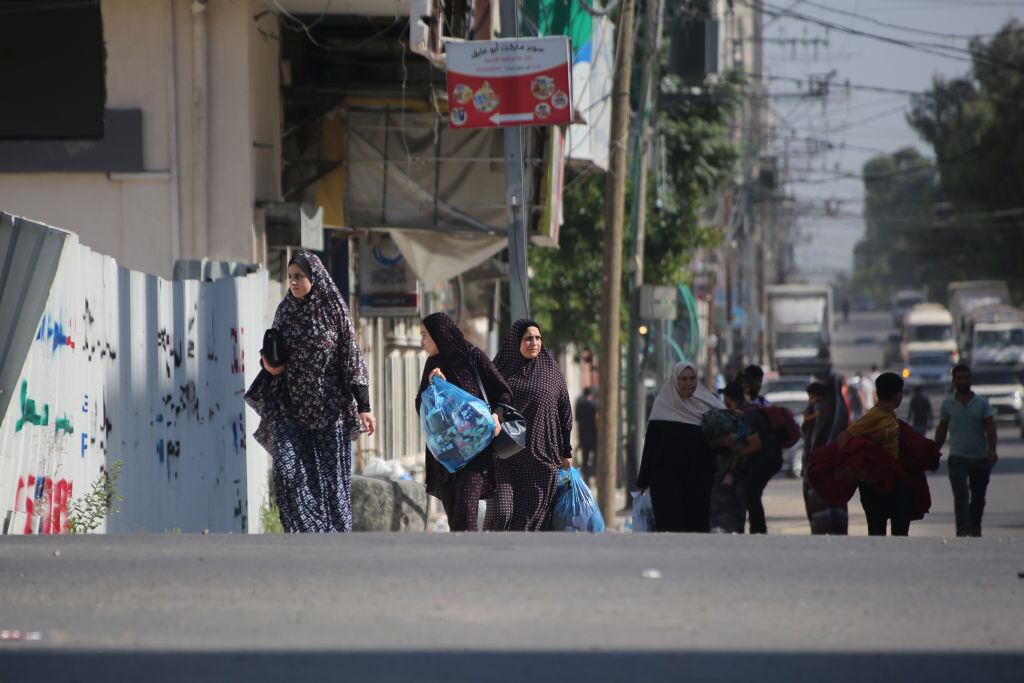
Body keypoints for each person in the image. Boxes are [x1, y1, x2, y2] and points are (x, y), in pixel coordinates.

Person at [245, 252, 376, 533]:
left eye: (299, 277)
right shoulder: (286, 310)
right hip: (291, 409)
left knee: (332, 483)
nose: (293, 282)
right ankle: (305, 534)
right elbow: (274, 346)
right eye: (290, 277)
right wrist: (269, 364)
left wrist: (364, 406)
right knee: (287, 473)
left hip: (331, 413)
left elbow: (351, 358)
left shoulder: (334, 311)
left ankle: (337, 539)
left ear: (314, 278)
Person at [418, 312, 509, 532]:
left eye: (424, 336)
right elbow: (420, 407)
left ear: (439, 335)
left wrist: (497, 415)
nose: (421, 342)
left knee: (466, 509)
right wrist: (433, 387)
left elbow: (503, 393)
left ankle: (469, 558)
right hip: (446, 456)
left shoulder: (472, 356)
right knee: (454, 513)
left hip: (475, 452)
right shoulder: (433, 364)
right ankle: (460, 559)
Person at [487, 319, 573, 531]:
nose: (534, 342)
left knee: (531, 521)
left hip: (542, 462)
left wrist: (567, 450)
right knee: (501, 511)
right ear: (516, 342)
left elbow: (564, 412)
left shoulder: (551, 373)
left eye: (537, 338)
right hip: (506, 458)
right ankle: (488, 548)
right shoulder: (500, 372)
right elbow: (488, 401)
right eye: (528, 338)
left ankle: (520, 559)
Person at [636, 362, 725, 532]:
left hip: (698, 481)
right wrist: (643, 480)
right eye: (683, 379)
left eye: (692, 378)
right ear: (675, 381)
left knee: (697, 528)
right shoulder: (662, 406)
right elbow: (651, 447)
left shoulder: (707, 406)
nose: (688, 383)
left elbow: (717, 443)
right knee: (670, 529)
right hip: (666, 484)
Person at [837, 372, 908, 536]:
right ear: (898, 396)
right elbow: (843, 438)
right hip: (874, 484)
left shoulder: (890, 415)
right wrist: (855, 470)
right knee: (877, 531)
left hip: (893, 479)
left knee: (901, 530)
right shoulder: (873, 417)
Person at [934, 365, 998, 537]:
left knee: (978, 498)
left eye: (966, 377)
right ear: (954, 381)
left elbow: (990, 428)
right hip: (957, 457)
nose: (963, 381)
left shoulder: (982, 403)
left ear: (971, 380)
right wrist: (934, 451)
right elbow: (942, 429)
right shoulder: (948, 404)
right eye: (959, 378)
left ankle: (975, 527)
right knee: (960, 496)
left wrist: (992, 450)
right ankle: (962, 529)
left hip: (979, 457)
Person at [723, 382, 783, 534]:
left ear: (729, 398)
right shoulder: (749, 410)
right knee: (752, 494)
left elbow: (755, 444)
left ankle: (758, 531)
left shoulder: (745, 416)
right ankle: (758, 530)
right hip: (771, 457)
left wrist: (738, 455)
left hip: (764, 460)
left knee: (751, 494)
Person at [802, 375, 850, 535]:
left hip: (817, 465)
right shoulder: (839, 408)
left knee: (821, 502)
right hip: (834, 466)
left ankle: (823, 530)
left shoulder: (823, 409)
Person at [575, 387, 598, 483]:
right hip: (594, 435)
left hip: (583, 435)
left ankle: (587, 477)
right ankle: (593, 474)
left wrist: (578, 437)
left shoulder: (580, 406)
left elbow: (578, 422)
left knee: (585, 457)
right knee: (595, 456)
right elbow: (597, 420)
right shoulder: (594, 405)